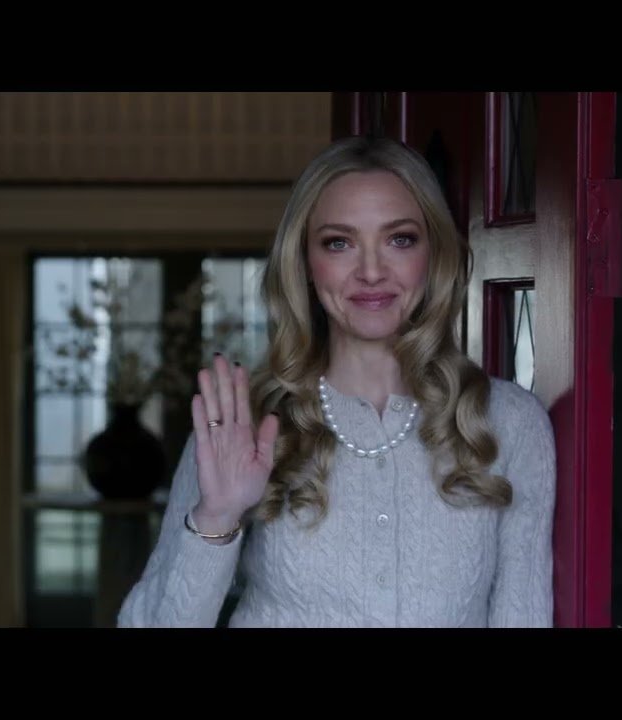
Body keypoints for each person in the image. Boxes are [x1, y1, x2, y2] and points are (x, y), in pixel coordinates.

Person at [116, 135, 556, 628]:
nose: (371, 271)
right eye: (338, 243)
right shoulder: (247, 423)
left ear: (434, 254)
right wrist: (216, 516)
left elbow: (524, 615)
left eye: (400, 239)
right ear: (305, 262)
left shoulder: (507, 423)